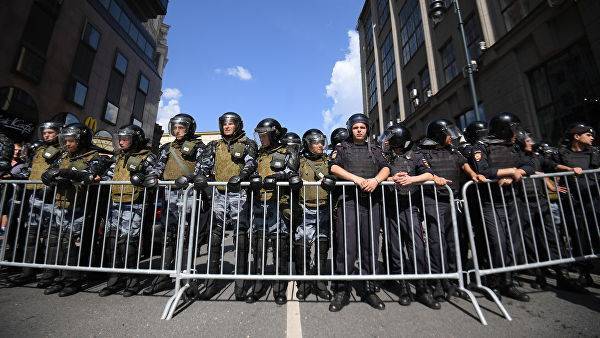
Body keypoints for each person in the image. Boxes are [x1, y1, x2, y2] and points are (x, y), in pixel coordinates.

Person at [191, 112, 258, 300]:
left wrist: (242, 176)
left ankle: (241, 286)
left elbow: (251, 163)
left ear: (238, 125)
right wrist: (200, 176)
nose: (227, 126)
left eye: (231, 123)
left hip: (240, 194)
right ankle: (211, 284)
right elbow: (203, 165)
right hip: (219, 194)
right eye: (224, 123)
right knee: (215, 236)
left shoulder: (248, 144)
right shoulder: (215, 145)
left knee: (241, 237)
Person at [417, 119, 485, 303]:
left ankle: (454, 280)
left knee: (455, 240)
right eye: (448, 133)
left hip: (453, 200)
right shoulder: (423, 152)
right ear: (439, 134)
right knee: (436, 241)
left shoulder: (453, 150)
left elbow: (464, 164)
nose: (451, 137)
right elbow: (423, 168)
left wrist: (473, 174)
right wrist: (434, 177)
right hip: (434, 200)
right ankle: (438, 281)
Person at [328, 113, 390, 312]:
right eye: (356, 128)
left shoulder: (376, 149)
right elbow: (334, 167)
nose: (359, 130)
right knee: (347, 247)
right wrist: (355, 178)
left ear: (367, 129)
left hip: (371, 203)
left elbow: (386, 168)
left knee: (370, 246)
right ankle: (341, 290)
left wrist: (376, 180)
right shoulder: (342, 148)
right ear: (350, 129)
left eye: (362, 127)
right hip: (348, 201)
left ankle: (369, 289)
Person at [470, 112, 533, 302]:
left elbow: (530, 164)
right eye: (514, 129)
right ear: (504, 129)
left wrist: (518, 171)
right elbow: (483, 171)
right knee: (497, 243)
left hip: (512, 200)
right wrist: (509, 171)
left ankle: (509, 282)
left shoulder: (513, 146)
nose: (517, 133)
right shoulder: (482, 146)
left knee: (513, 243)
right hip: (491, 202)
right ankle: (493, 282)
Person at [142, 113, 206, 296]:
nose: (177, 131)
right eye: (175, 127)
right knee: (168, 235)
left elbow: (203, 168)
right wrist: (153, 176)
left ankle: (187, 279)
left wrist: (189, 178)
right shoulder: (166, 147)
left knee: (187, 237)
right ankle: (163, 277)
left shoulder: (199, 147)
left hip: (189, 194)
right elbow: (158, 166)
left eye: (181, 128)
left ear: (189, 129)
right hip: (169, 195)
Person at [39, 123, 104, 297]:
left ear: (81, 140)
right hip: (61, 205)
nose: (67, 144)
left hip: (80, 207)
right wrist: (49, 177)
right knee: (55, 242)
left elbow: (91, 175)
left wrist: (67, 173)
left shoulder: (94, 157)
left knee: (71, 244)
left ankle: (72, 280)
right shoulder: (63, 156)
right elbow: (50, 172)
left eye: (71, 141)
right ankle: (58, 278)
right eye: (65, 140)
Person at [514, 131, 583, 292]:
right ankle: (540, 274)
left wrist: (570, 169)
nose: (531, 142)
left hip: (541, 200)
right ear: (521, 141)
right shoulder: (515, 157)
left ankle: (562, 273)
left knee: (552, 237)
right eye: (528, 140)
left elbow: (551, 165)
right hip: (523, 202)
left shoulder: (537, 156)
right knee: (531, 239)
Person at [382, 123, 440, 309]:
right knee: (396, 249)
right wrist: (392, 178)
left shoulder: (416, 156)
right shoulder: (385, 157)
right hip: (391, 208)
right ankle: (404, 288)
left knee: (417, 248)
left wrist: (410, 179)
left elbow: (429, 174)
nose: (387, 142)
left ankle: (422, 289)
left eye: (391, 138)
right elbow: (376, 175)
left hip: (410, 207)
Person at [245, 118, 300, 305]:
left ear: (274, 133)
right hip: (259, 204)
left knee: (280, 249)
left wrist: (278, 176)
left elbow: (294, 174)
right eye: (259, 134)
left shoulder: (287, 152)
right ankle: (258, 285)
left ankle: (279, 288)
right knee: (258, 248)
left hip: (278, 204)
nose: (261, 138)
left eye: (264, 134)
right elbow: (249, 169)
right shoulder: (258, 154)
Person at [98, 125, 157, 297]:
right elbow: (109, 176)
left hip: (134, 205)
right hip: (115, 204)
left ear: (135, 140)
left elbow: (154, 176)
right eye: (120, 139)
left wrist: (145, 179)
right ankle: (115, 281)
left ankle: (132, 282)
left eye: (126, 139)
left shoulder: (147, 157)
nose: (121, 142)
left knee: (129, 245)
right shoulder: (118, 157)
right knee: (112, 243)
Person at [6, 121, 63, 288]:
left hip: (52, 199)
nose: (47, 135)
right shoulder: (38, 150)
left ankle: (49, 274)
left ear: (58, 133)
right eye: (45, 132)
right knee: (30, 235)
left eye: (50, 132)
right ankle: (27, 272)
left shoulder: (62, 151)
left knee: (52, 239)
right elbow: (29, 169)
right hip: (34, 197)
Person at [553, 123, 599, 287]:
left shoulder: (594, 152)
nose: (592, 137)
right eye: (588, 134)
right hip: (573, 202)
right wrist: (566, 170)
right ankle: (584, 273)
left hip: (594, 201)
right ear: (577, 136)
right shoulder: (562, 154)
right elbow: (546, 164)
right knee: (580, 237)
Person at [294, 128, 335, 301]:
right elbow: (289, 175)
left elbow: (338, 176)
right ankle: (304, 282)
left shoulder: (330, 161)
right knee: (302, 246)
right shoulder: (300, 161)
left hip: (324, 208)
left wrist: (334, 179)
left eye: (321, 141)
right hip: (305, 208)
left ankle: (319, 281)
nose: (320, 145)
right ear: (307, 144)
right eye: (315, 142)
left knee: (322, 245)